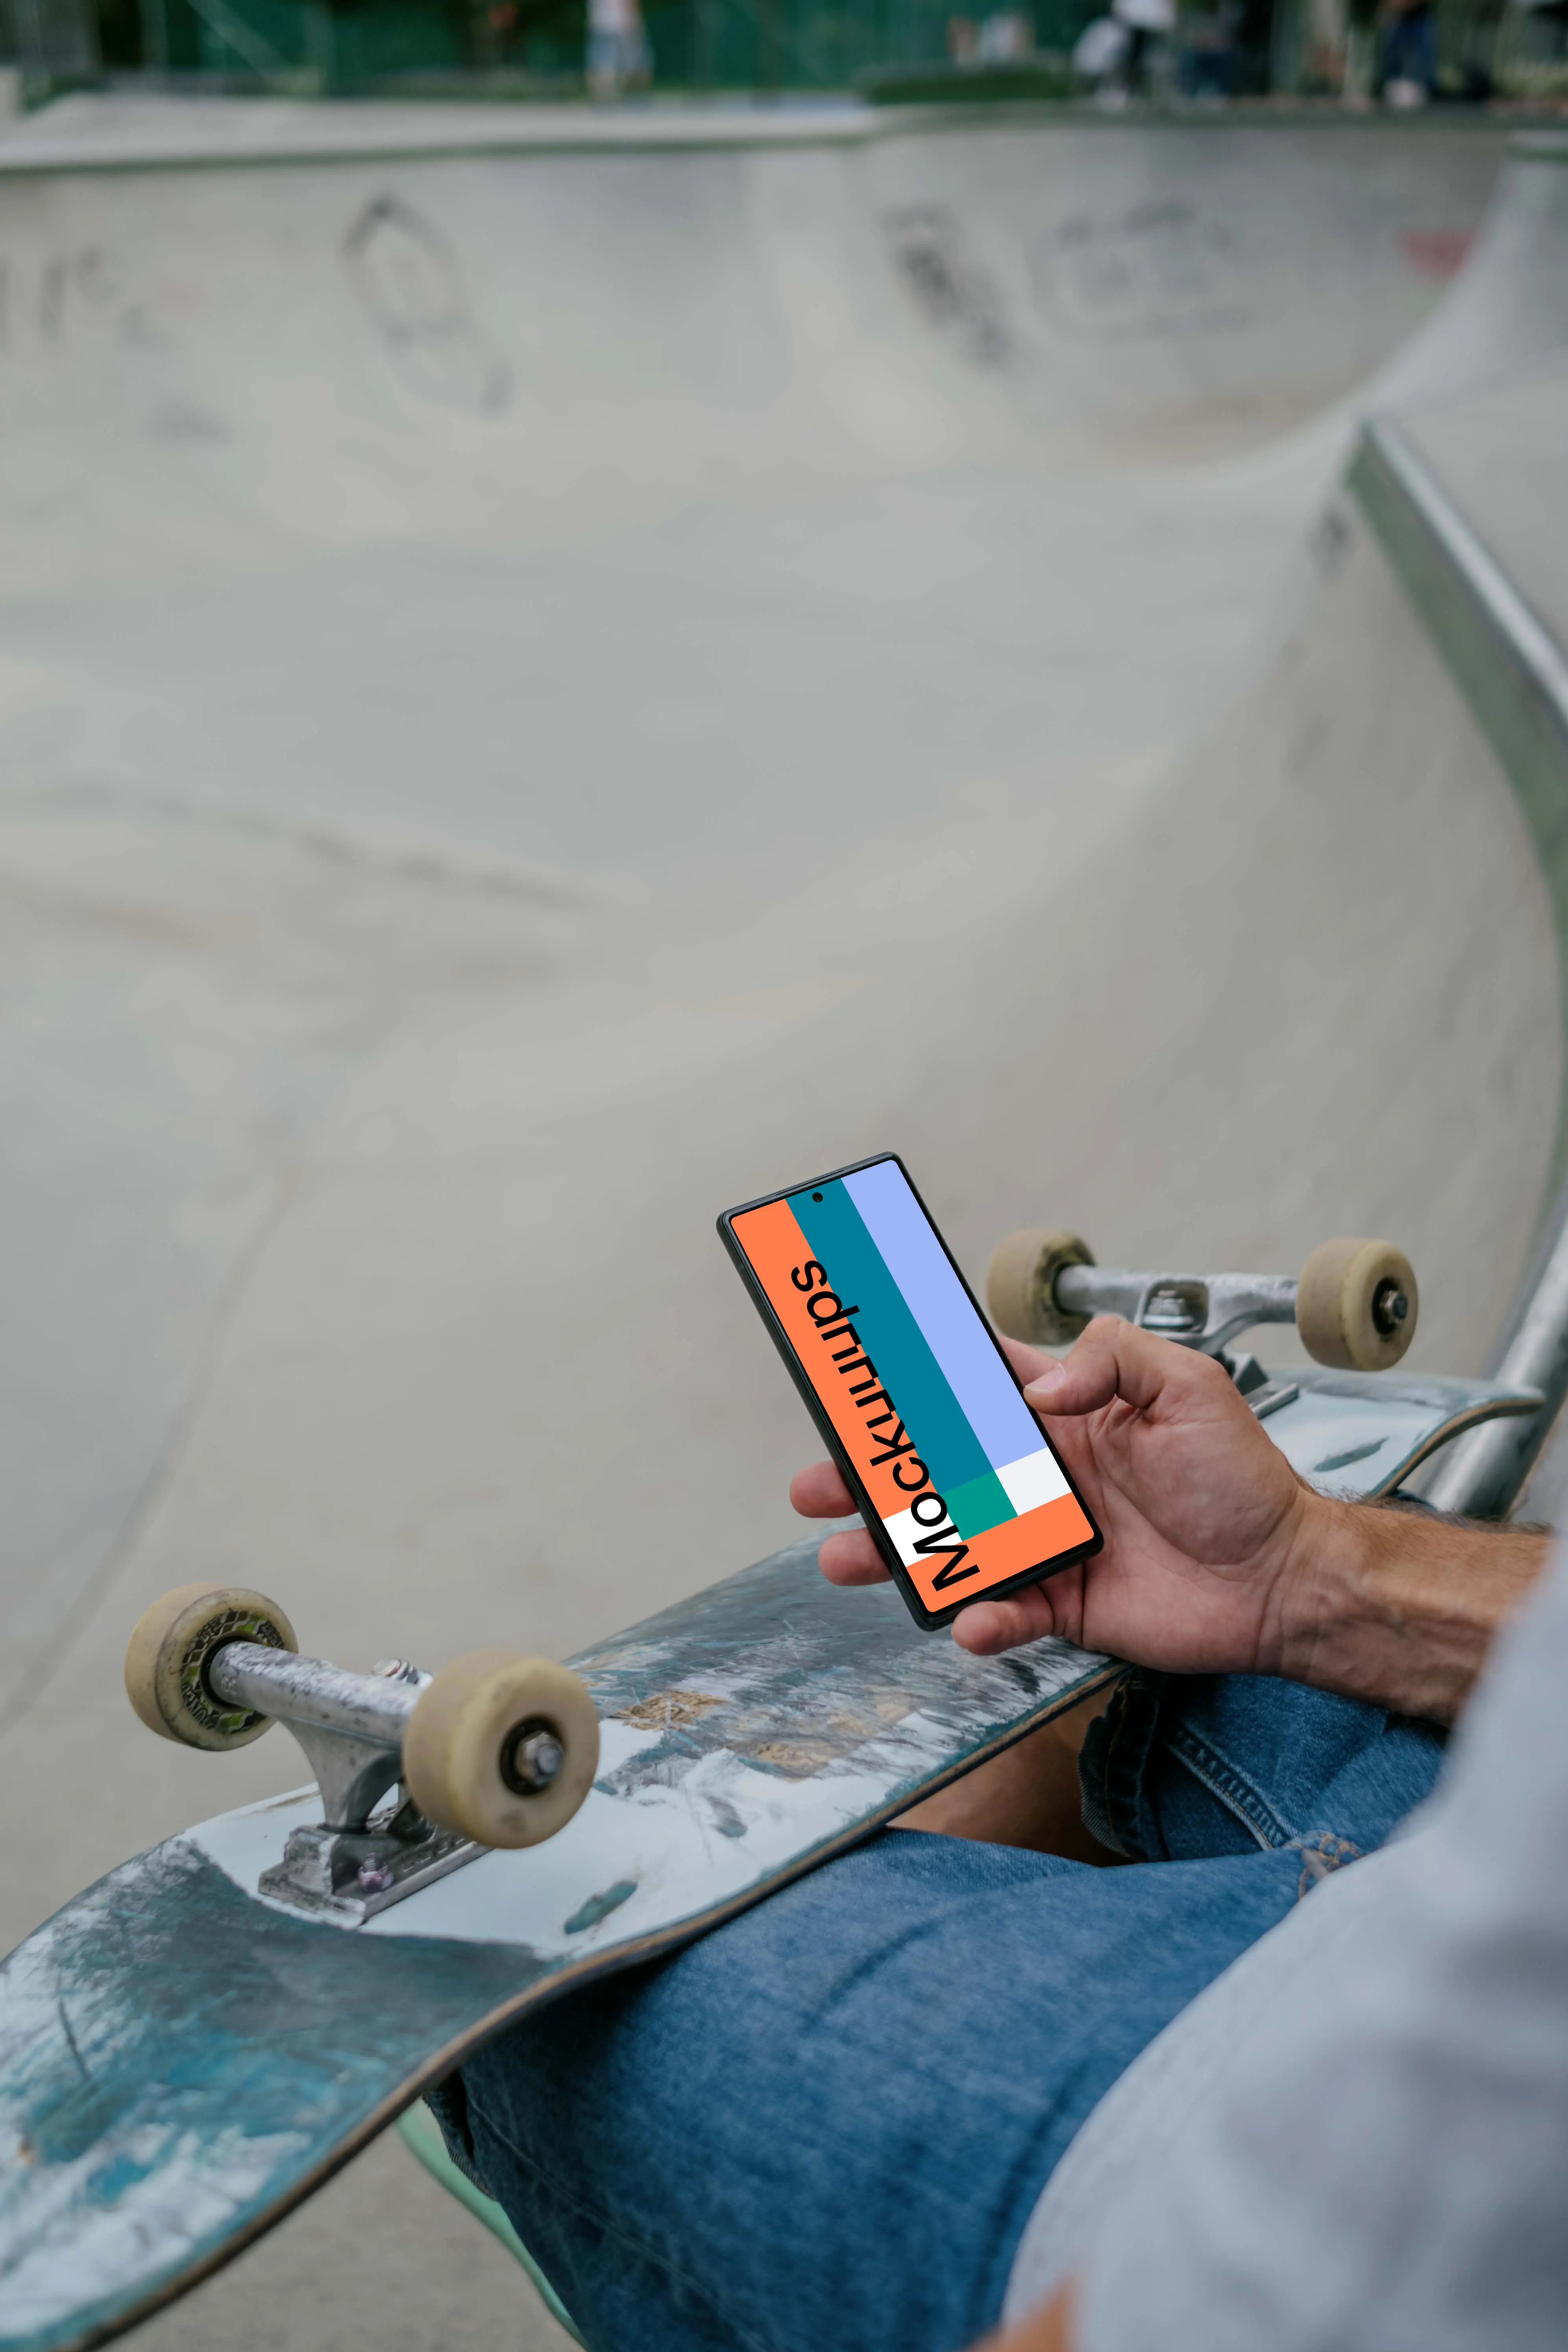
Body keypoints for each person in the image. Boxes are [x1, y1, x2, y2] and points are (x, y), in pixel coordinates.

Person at [431, 1318, 1563, 2352]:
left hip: (1316, 2160)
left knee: (545, 1943)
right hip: (1498, 1844)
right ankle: (946, 1890)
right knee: (1107, 1661)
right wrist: (1306, 1574)